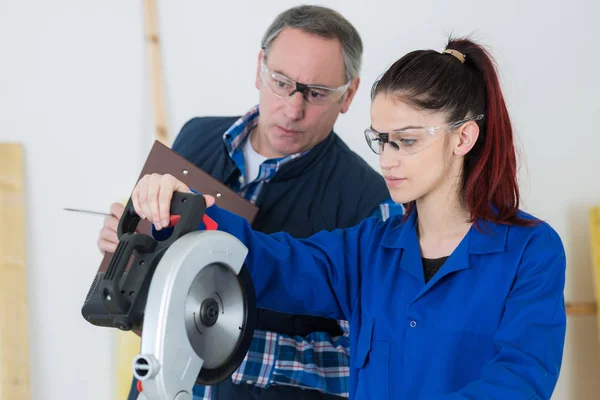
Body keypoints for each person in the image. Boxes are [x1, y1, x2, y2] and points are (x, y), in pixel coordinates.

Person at [130, 37, 567, 399]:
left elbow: (520, 379)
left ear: (463, 137)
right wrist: (190, 208)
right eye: (383, 141)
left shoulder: (531, 251)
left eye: (407, 141)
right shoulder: (369, 248)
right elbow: (271, 262)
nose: (388, 161)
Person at [98, 5, 403, 400]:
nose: (293, 109)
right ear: (260, 67)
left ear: (349, 95)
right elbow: (157, 275)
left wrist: (219, 346)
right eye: (281, 82)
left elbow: (366, 363)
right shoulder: (195, 136)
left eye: (316, 93)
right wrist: (124, 249)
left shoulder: (373, 203)